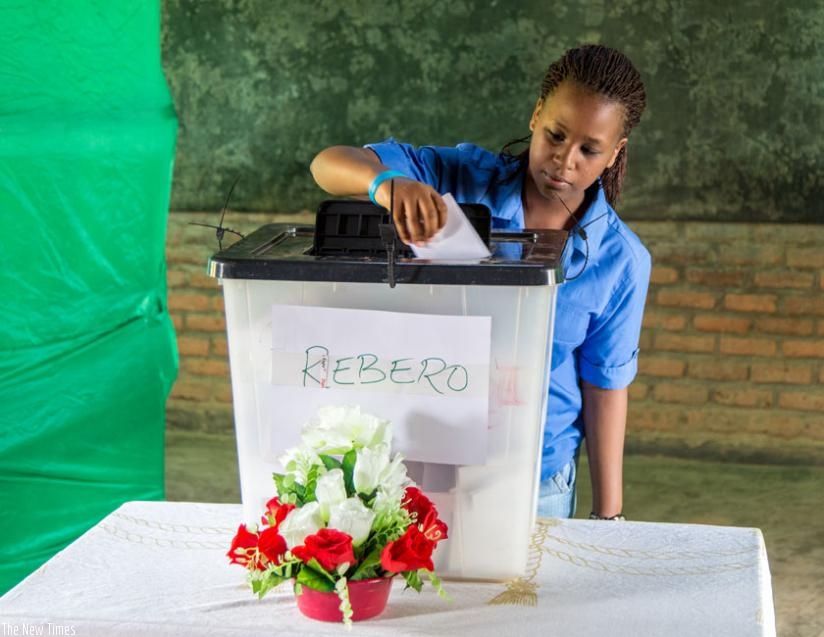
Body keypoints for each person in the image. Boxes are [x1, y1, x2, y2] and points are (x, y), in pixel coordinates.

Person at [310, 44, 651, 521]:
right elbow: (327, 164)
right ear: (536, 114)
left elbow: (604, 388)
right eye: (555, 135)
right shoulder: (461, 179)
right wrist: (388, 184)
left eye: (589, 150)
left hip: (536, 478)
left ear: (614, 153)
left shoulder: (620, 261)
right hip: (423, 459)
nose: (564, 160)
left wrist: (609, 516)